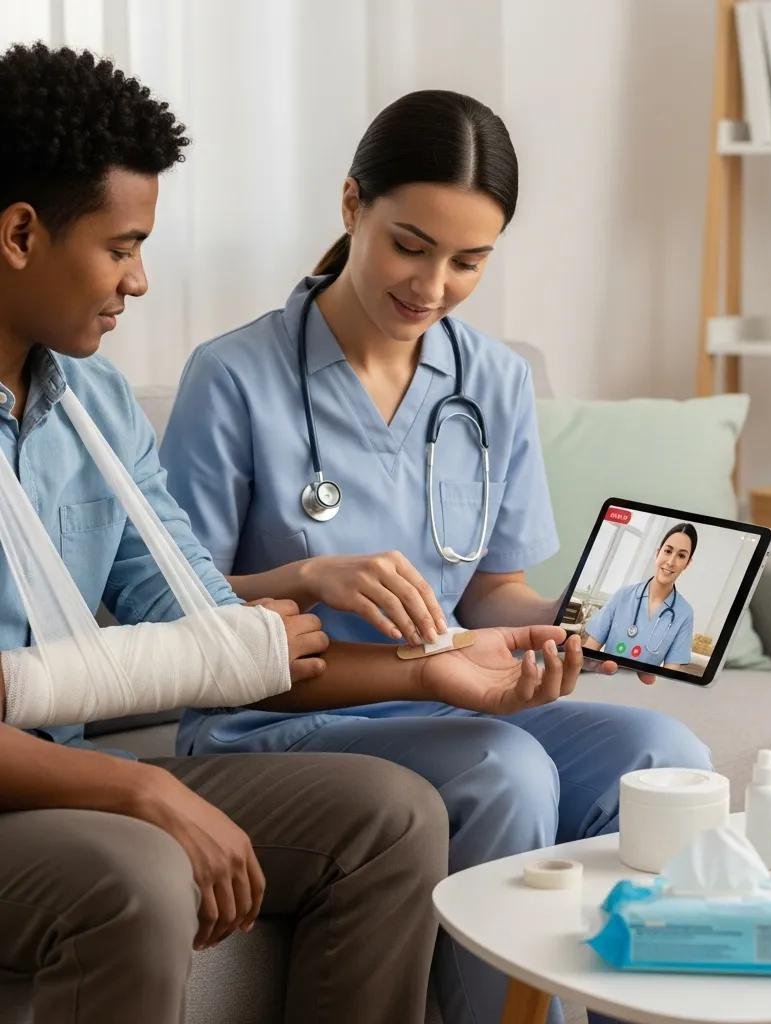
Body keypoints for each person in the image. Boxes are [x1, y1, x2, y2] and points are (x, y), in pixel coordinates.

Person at [0, 45, 577, 1024]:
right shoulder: (237, 372)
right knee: (141, 867)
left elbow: (196, 615)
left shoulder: (92, 403)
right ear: (20, 233)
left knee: (393, 815)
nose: (139, 281)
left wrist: (314, 597)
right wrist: (136, 791)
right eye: (122, 245)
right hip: (50, 775)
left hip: (53, 762)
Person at [160, 88, 712, 1024]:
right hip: (279, 720)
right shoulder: (235, 377)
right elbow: (180, 611)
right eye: (409, 246)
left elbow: (493, 589)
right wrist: (308, 577)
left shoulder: (492, 380)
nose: (432, 285)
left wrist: (569, 631)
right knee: (504, 768)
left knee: (664, 754)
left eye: (470, 261)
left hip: (450, 692)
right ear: (351, 207)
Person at [582, 522, 697, 671]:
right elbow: (587, 655)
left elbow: (669, 675)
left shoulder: (684, 614)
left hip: (642, 692)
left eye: (681, 556)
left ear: (687, 564)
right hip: (602, 682)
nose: (670, 562)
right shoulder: (623, 595)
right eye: (668, 551)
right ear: (658, 553)